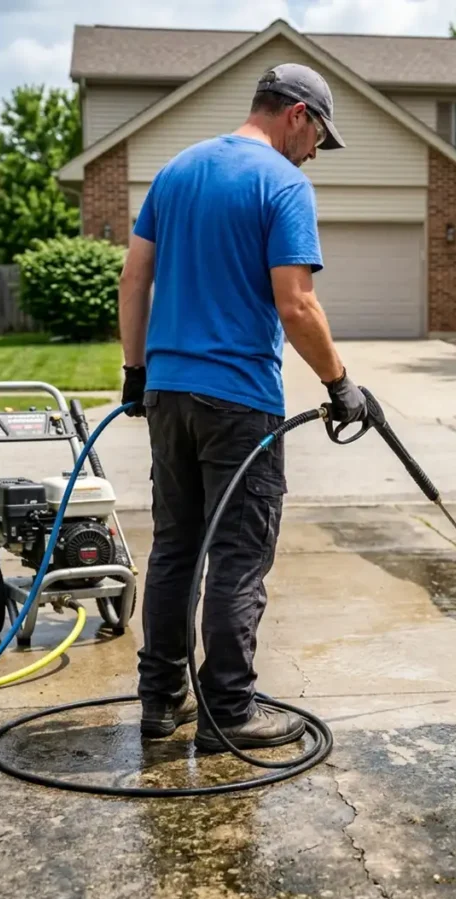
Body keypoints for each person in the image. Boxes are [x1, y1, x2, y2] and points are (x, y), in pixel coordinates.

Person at [118, 63, 366, 751]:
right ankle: (229, 709)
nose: (316, 150)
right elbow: (296, 303)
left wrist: (135, 373)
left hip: (168, 394)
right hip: (238, 402)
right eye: (318, 133)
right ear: (295, 114)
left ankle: (160, 701)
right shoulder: (282, 183)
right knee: (237, 553)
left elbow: (134, 278)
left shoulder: (175, 172)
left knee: (175, 548)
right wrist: (340, 384)